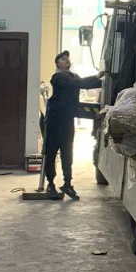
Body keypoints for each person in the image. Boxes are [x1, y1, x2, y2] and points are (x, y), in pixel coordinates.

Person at [42, 50, 103, 199]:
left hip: (67, 119)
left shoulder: (72, 75)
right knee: (51, 152)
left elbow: (83, 84)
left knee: (67, 152)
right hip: (55, 120)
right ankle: (50, 184)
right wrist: (97, 77)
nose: (66, 60)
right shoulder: (58, 77)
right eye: (63, 59)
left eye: (67, 58)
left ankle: (67, 183)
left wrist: (103, 81)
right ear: (57, 64)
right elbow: (78, 84)